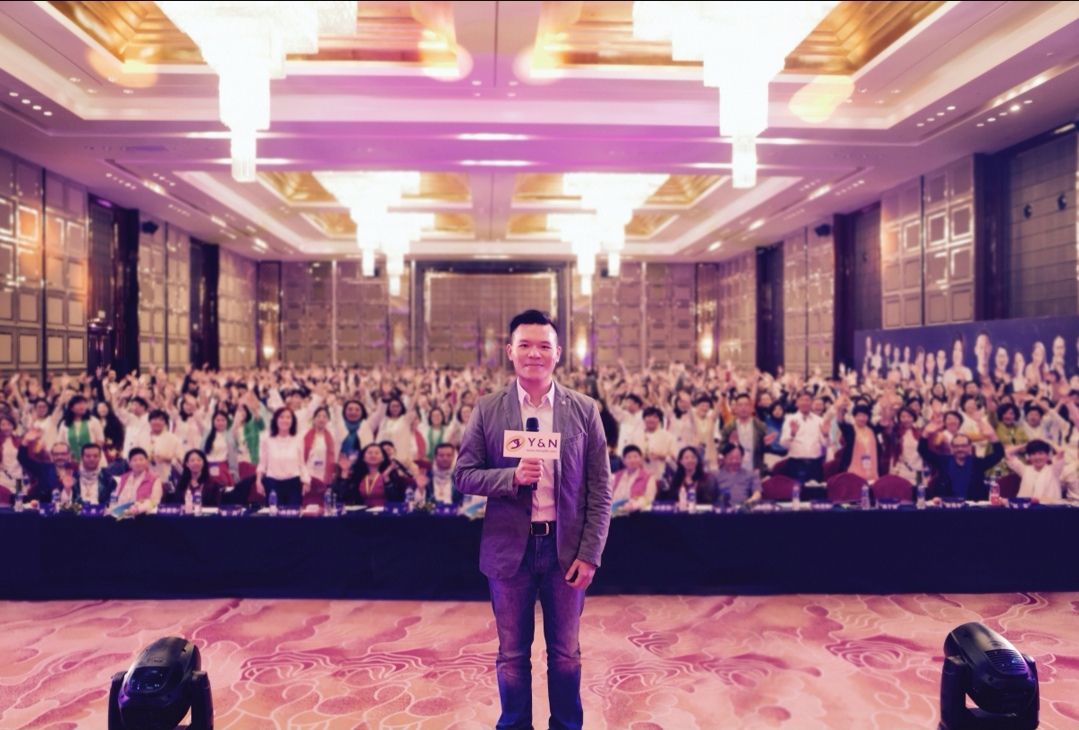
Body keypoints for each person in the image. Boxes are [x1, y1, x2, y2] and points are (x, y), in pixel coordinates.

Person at [454, 309, 611, 730]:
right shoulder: (489, 409)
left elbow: (600, 488)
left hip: (565, 549)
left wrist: (590, 554)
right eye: (525, 345)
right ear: (510, 351)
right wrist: (510, 477)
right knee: (511, 656)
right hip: (510, 550)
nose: (534, 354)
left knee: (565, 654)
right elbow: (463, 475)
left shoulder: (584, 410)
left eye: (544, 346)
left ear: (558, 353)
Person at [917, 428, 1003, 501]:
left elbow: (999, 454)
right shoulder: (943, 462)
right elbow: (923, 450)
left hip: (973, 509)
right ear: (951, 447)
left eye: (964, 446)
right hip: (947, 508)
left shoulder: (978, 463)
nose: (960, 449)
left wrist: (992, 436)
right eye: (956, 446)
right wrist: (926, 433)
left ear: (969, 447)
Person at [255, 407, 310, 507]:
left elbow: (301, 463)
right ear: (276, 419)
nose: (285, 420)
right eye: (281, 417)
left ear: (292, 421)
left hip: (293, 483)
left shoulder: (298, 439)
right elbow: (262, 463)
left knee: (293, 514)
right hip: (272, 483)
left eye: (288, 417)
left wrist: (306, 481)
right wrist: (258, 481)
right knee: (274, 515)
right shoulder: (266, 439)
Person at [778, 391, 831, 483]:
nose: (805, 403)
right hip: (796, 463)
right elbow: (783, 444)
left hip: (815, 464)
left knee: (815, 490)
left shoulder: (819, 420)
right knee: (797, 490)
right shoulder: (790, 419)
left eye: (807, 400)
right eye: (802, 400)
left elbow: (826, 444)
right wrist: (792, 434)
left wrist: (826, 435)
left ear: (812, 402)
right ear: (797, 402)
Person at [720, 393, 768, 473]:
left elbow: (765, 449)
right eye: (740, 405)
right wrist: (730, 445)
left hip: (754, 469)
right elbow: (721, 449)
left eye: (746, 405)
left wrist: (766, 444)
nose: (743, 408)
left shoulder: (760, 426)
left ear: (751, 408)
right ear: (735, 408)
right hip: (734, 470)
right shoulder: (729, 428)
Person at [609, 445, 656, 512]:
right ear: (623, 460)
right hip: (612, 511)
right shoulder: (616, 476)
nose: (632, 460)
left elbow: (649, 499)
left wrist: (635, 505)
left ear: (641, 459)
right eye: (629, 457)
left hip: (634, 513)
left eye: (635, 457)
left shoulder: (649, 477)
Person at [114, 447, 163, 513]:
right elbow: (115, 497)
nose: (138, 463)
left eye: (141, 459)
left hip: (143, 515)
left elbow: (155, 502)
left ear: (146, 462)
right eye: (134, 460)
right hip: (121, 513)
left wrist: (139, 509)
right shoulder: (123, 478)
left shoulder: (155, 479)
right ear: (129, 463)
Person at [714, 443, 761, 507]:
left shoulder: (751, 475)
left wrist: (749, 503)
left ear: (742, 458)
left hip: (744, 509)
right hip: (722, 510)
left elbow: (757, 493)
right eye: (731, 458)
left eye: (737, 458)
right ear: (724, 458)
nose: (734, 461)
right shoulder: (715, 476)